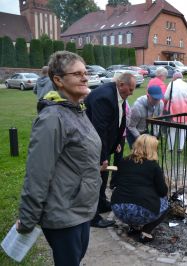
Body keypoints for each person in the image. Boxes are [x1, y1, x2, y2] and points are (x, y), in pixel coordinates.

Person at [16, 51, 105, 266]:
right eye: (77, 73)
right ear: (58, 80)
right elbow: (37, 173)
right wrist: (27, 220)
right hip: (64, 213)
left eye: (85, 72)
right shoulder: (52, 118)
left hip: (81, 208)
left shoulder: (76, 110)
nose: (85, 77)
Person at [85, 71, 136, 228]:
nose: (132, 92)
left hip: (104, 143)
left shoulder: (117, 95)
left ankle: (101, 204)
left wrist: (116, 143)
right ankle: (92, 216)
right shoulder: (104, 97)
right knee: (95, 179)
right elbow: (99, 129)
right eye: (131, 89)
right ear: (121, 85)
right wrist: (103, 156)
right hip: (92, 144)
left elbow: (117, 121)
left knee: (103, 175)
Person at [111, 134, 168, 243]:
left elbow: (113, 183)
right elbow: (162, 191)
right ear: (151, 149)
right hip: (141, 210)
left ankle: (133, 227)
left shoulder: (123, 161)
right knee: (165, 202)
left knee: (128, 195)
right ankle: (145, 232)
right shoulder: (154, 166)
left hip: (118, 208)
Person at [164, 72, 187, 151]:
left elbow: (166, 97)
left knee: (172, 129)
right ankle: (180, 148)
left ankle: (170, 147)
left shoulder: (172, 84)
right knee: (182, 129)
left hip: (174, 108)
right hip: (186, 110)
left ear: (174, 77)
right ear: (182, 77)